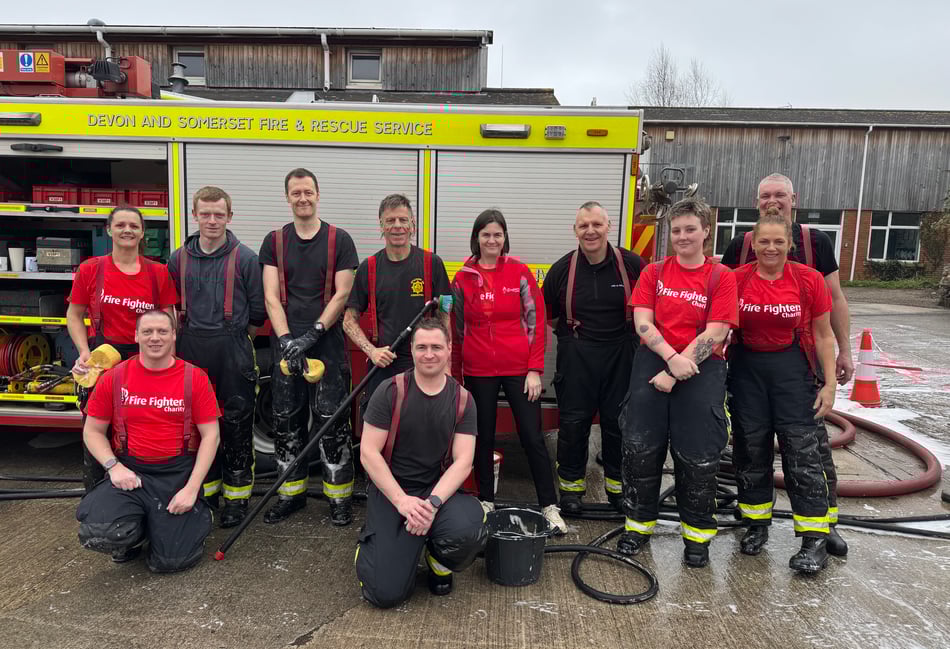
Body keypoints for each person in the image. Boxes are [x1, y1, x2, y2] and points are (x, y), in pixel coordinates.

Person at [720, 173, 851, 556]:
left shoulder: (814, 256)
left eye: (780, 195)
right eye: (765, 196)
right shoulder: (738, 257)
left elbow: (833, 308)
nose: (771, 247)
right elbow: (715, 316)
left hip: (796, 370)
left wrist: (836, 367)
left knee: (807, 453)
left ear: (794, 199)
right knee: (750, 448)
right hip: (748, 371)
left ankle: (821, 531)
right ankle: (755, 523)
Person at [620, 197, 738, 568]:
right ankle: (637, 527)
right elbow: (642, 322)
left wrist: (676, 370)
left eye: (690, 229)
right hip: (654, 364)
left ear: (706, 231)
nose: (683, 236)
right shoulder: (654, 273)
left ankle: (697, 538)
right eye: (676, 230)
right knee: (641, 450)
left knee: (698, 457)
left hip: (701, 371)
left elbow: (717, 330)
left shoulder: (722, 277)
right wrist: (671, 360)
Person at [450, 209, 566, 534]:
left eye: (497, 234)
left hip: (518, 370)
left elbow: (535, 322)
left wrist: (534, 370)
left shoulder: (519, 273)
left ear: (504, 238)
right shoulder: (463, 278)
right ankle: (486, 501)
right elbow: (456, 331)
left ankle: (549, 506)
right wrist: (457, 378)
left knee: (532, 436)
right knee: (481, 437)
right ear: (477, 238)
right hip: (478, 370)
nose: (491, 240)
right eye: (485, 234)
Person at [356, 318, 487, 608]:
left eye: (437, 347)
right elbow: (368, 453)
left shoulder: (463, 400)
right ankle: (375, 544)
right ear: (412, 351)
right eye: (422, 347)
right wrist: (403, 502)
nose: (429, 354)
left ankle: (437, 559)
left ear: (450, 349)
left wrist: (432, 504)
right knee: (384, 594)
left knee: (469, 530)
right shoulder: (390, 391)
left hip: (435, 492)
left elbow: (463, 461)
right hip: (393, 492)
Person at [76, 310, 220, 572]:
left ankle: (196, 514)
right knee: (99, 530)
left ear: (174, 335)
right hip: (131, 473)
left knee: (171, 562)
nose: (155, 338)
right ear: (136, 335)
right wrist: (113, 467)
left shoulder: (194, 378)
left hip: (176, 474)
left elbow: (212, 436)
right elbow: (93, 431)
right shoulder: (115, 378)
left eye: (163, 331)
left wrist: (191, 488)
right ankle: (137, 532)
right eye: (147, 332)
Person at [258, 168, 359, 525]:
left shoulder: (340, 240)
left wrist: (312, 334)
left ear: (318, 194)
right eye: (296, 193)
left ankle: (339, 498)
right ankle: (291, 495)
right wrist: (287, 340)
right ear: (287, 198)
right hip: (288, 348)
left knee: (333, 423)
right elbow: (271, 296)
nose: (303, 198)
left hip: (327, 346)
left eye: (308, 192)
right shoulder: (274, 241)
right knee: (287, 424)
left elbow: (343, 293)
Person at [168, 186, 267, 528]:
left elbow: (258, 312)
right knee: (196, 425)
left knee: (237, 424)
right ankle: (205, 493)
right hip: (190, 348)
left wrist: (238, 341)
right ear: (194, 216)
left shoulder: (246, 259)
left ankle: (237, 500)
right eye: (205, 214)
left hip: (233, 349)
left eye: (219, 214)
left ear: (230, 217)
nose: (212, 220)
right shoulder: (177, 258)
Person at [542, 201, 644, 515]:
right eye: (584, 226)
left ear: (608, 227)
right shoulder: (561, 270)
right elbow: (552, 318)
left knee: (618, 425)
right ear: (575, 231)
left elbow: (647, 310)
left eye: (596, 225)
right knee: (573, 425)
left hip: (621, 356)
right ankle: (571, 491)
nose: (591, 231)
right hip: (577, 356)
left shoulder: (631, 265)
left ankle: (617, 489)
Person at [67, 206, 178, 492]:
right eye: (120, 225)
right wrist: (83, 351)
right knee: (98, 426)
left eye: (133, 225)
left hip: (146, 359)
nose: (127, 230)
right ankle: (96, 495)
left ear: (142, 232)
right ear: (109, 230)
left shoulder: (158, 272)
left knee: (144, 426)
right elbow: (74, 315)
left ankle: (142, 491)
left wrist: (168, 359)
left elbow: (169, 319)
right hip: (104, 358)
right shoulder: (91, 269)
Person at [343, 193, 451, 418]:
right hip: (384, 368)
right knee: (382, 435)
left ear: (413, 225)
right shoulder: (369, 267)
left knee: (423, 431)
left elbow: (446, 314)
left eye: (403, 220)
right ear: (381, 226)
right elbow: (348, 320)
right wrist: (372, 351)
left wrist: (446, 363)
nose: (397, 226)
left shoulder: (433, 264)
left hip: (425, 364)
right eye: (390, 221)